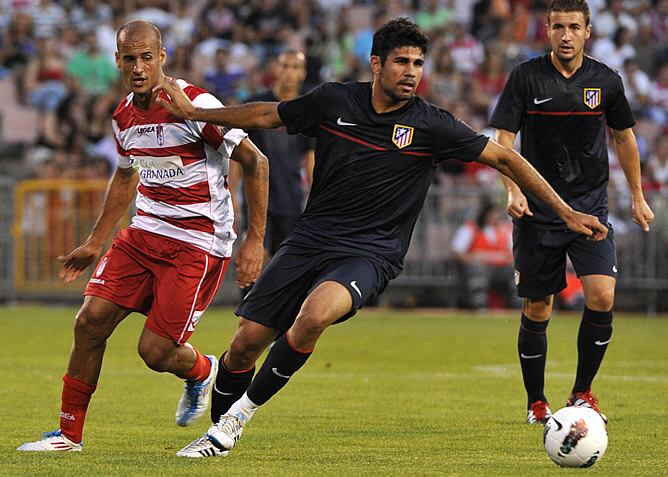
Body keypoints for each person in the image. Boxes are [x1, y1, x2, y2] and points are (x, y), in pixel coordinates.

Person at [155, 17, 608, 458]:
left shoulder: (433, 125)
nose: (411, 71)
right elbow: (270, 115)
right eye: (401, 62)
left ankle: (234, 424)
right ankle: (217, 429)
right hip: (310, 240)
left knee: (314, 316)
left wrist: (566, 211)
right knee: (243, 345)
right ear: (376, 64)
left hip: (371, 254)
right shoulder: (334, 101)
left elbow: (506, 159)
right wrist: (196, 112)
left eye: (417, 63)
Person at [17, 20, 268, 452]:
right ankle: (67, 435)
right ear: (117, 60)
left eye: (146, 57)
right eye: (129, 58)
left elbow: (255, 161)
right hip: (145, 232)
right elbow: (124, 176)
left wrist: (254, 240)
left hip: (197, 241)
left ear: (162, 57)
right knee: (89, 322)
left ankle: (201, 370)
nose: (138, 67)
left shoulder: (194, 105)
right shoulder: (123, 117)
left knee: (154, 352)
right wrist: (95, 242)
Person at [489, 0, 654, 425]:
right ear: (546, 30)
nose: (566, 35)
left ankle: (582, 392)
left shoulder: (605, 80)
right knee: (538, 308)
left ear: (587, 31)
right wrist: (512, 189)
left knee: (601, 295)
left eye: (574, 27)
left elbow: (624, 137)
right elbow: (503, 139)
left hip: (589, 209)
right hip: (537, 210)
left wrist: (637, 196)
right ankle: (536, 402)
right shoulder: (526, 77)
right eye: (558, 26)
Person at [230, 50, 315, 261]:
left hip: (291, 199)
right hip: (256, 198)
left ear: (303, 73)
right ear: (276, 68)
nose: (289, 72)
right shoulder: (257, 105)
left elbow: (310, 158)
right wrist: (232, 194)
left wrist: (314, 199)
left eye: (295, 67)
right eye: (285, 66)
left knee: (285, 266)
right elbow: (238, 154)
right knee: (251, 262)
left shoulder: (306, 110)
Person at [451, 200, 517, 310]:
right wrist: (473, 258)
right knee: (478, 273)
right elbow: (458, 252)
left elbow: (513, 252)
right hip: (480, 267)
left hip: (502, 268)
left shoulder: (505, 229)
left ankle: (517, 307)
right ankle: (480, 307)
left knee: (516, 273)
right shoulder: (471, 228)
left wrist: (498, 257)